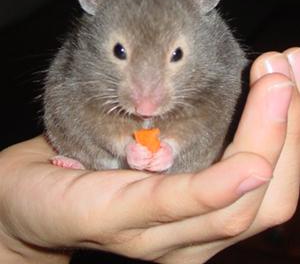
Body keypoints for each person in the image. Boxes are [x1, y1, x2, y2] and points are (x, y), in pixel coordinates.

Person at [0, 48, 299, 264]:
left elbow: (210, 120)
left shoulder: (217, 68)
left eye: (176, 55)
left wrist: (173, 147)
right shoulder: (81, 73)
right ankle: (87, 164)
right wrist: (10, 233)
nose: (145, 104)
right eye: (119, 51)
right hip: (89, 141)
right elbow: (78, 110)